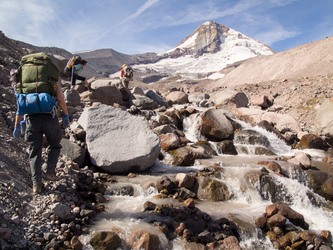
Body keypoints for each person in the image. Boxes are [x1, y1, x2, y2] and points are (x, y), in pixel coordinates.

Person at [13, 56, 70, 194]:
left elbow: (20, 105)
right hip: (50, 118)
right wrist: (66, 115)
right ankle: (50, 171)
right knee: (55, 145)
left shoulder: (24, 84)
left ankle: (36, 185)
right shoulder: (51, 82)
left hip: (31, 120)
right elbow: (61, 100)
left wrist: (17, 125)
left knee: (34, 152)